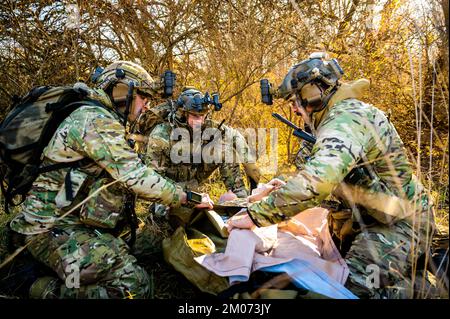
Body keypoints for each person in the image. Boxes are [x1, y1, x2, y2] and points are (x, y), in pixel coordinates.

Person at [227, 52, 436, 299]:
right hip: (366, 219)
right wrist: (284, 189)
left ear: (313, 94)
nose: (294, 109)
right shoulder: (332, 119)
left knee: (350, 290)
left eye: (295, 101)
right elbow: (329, 185)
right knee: (330, 269)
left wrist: (257, 215)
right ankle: (409, 272)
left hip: (402, 223)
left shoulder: (346, 119)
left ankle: (421, 291)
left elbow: (316, 184)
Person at [8, 61, 212, 299]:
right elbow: (135, 176)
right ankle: (37, 287)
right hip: (50, 228)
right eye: (143, 98)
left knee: (150, 248)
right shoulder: (95, 120)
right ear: (121, 92)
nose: (147, 106)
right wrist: (187, 197)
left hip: (74, 222)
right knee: (135, 286)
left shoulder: (99, 116)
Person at [131, 87, 259, 256]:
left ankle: (234, 214)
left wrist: (242, 204)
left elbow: (234, 157)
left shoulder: (211, 131)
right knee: (148, 247)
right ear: (183, 114)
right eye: (194, 116)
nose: (199, 121)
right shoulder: (161, 136)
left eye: (203, 116)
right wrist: (189, 199)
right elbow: (152, 184)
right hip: (167, 198)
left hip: (195, 194)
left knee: (226, 157)